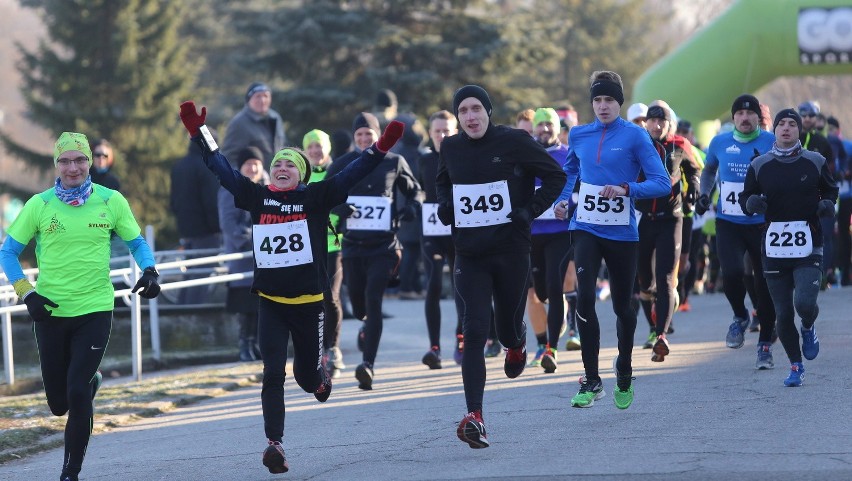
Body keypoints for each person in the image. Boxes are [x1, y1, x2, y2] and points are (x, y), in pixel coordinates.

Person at [179, 100, 404, 474]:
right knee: (272, 373)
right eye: (277, 164)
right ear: (270, 173)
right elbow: (220, 167)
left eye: (290, 165)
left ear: (301, 175)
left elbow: (353, 174)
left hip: (309, 303)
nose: (282, 168)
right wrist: (199, 132)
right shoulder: (257, 196)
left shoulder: (314, 198)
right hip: (270, 302)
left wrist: (380, 147)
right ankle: (274, 444)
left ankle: (319, 377)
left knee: (305, 377)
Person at [0, 131, 162, 481]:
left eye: (80, 160)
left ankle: (70, 473)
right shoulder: (39, 205)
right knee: (60, 404)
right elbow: (8, 252)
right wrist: (27, 292)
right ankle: (90, 385)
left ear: (90, 162)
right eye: (65, 160)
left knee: (75, 391)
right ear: (56, 164)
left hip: (95, 309)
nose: (73, 167)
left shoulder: (110, 200)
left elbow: (136, 241)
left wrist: (149, 270)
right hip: (50, 312)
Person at [436, 85, 566, 448]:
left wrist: (529, 211)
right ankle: (474, 415)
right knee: (475, 330)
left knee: (508, 328)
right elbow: (442, 183)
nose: (471, 116)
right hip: (470, 254)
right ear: (458, 117)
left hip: (510, 250)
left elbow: (556, 176)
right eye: (463, 111)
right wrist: (445, 205)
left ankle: (518, 342)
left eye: (476, 108)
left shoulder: (514, 141)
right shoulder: (451, 147)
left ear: (488, 112)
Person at [553, 71, 670, 410]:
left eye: (609, 100)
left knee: (623, 306)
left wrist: (627, 189)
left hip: (622, 232)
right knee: (585, 297)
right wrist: (563, 201)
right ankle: (591, 379)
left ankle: (624, 368)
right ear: (591, 103)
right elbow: (571, 172)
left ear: (619, 103)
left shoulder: (635, 136)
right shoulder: (579, 134)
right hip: (586, 226)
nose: (603, 106)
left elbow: (661, 183)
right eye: (598, 100)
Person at [739, 108, 838, 386]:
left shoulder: (815, 161)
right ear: (774, 130)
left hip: (809, 242)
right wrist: (751, 204)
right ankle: (796, 365)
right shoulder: (760, 165)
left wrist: (828, 204)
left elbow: (831, 189)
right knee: (782, 313)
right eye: (781, 123)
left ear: (799, 130)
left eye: (791, 124)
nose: (785, 128)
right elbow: (746, 196)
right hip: (773, 247)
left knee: (804, 304)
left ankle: (808, 326)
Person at [326, 112, 423, 390]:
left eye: (369, 134)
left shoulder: (394, 161)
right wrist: (338, 208)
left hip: (385, 245)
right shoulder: (343, 164)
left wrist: (413, 206)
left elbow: (414, 190)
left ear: (378, 135)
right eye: (360, 135)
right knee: (359, 306)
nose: (365, 139)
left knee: (374, 299)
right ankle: (366, 325)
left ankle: (367, 364)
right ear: (354, 138)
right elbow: (323, 195)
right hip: (354, 247)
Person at [695, 94, 777, 368]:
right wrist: (704, 195)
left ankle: (765, 343)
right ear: (733, 119)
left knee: (764, 283)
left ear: (758, 118)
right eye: (739, 114)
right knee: (731, 274)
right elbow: (708, 171)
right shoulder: (720, 142)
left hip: (762, 224)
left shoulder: (770, 141)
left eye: (750, 114)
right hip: (729, 221)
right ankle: (741, 316)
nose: (744, 118)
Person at [636, 105, 701, 362]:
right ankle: (653, 324)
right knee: (644, 283)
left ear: (669, 124)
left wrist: (693, 186)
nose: (657, 125)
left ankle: (661, 335)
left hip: (670, 219)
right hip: (642, 220)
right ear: (646, 124)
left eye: (661, 121)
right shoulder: (637, 144)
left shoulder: (679, 144)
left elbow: (694, 169)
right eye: (652, 120)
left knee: (664, 279)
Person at [525, 107, 572, 373]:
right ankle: (556, 323)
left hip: (559, 231)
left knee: (555, 287)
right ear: (533, 129)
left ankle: (550, 348)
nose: (544, 130)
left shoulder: (567, 154)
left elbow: (579, 184)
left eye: (549, 126)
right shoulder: (526, 155)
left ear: (557, 129)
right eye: (540, 126)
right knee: (539, 292)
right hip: (532, 234)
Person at [418, 110, 463, 368]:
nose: (443, 135)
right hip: (432, 230)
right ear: (431, 133)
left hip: (458, 229)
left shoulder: (462, 155)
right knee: (434, 282)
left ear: (455, 131)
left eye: (447, 130)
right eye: (438, 131)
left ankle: (461, 339)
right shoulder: (424, 160)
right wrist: (413, 204)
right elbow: (412, 186)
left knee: (461, 285)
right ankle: (434, 348)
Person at [303, 128, 346, 377]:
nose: (316, 151)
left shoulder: (336, 172)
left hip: (334, 245)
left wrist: (342, 210)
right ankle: (316, 350)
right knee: (312, 299)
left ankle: (333, 348)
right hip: (308, 247)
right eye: (311, 147)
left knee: (330, 297)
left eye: (319, 146)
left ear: (327, 149)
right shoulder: (302, 177)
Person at [218, 146, 267, 362]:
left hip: (265, 253)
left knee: (260, 303)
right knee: (244, 305)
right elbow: (228, 223)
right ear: (241, 166)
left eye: (256, 163)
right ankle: (244, 344)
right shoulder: (231, 188)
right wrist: (250, 238)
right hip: (242, 254)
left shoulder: (267, 186)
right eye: (248, 164)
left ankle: (255, 343)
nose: (253, 167)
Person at [170, 135, 222, 304]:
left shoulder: (179, 166)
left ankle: (180, 313)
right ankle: (193, 315)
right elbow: (211, 202)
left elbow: (173, 202)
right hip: (206, 231)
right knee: (201, 273)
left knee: (189, 273)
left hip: (186, 228)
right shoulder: (206, 166)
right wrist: (217, 228)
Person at [797, 101, 836, 289]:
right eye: (803, 115)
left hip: (818, 197)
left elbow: (832, 171)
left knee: (823, 237)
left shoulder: (823, 142)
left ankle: (822, 275)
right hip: (795, 198)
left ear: (817, 118)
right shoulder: (790, 137)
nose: (806, 119)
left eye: (811, 116)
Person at [221, 82, 287, 163]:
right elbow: (228, 158)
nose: (262, 100)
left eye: (266, 96)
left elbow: (282, 146)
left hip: (275, 174)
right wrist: (243, 174)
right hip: (251, 174)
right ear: (249, 100)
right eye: (258, 96)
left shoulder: (276, 118)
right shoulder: (239, 123)